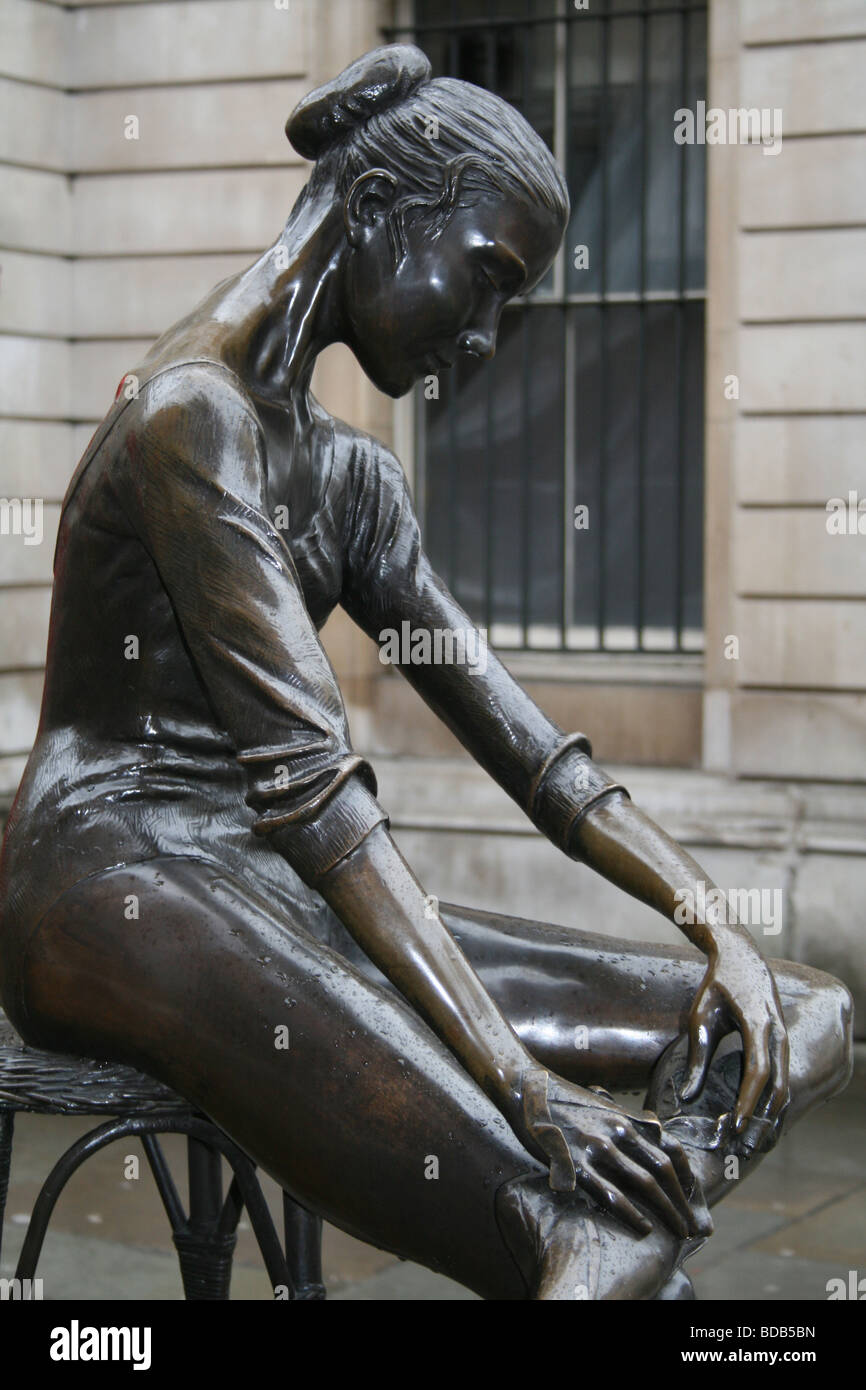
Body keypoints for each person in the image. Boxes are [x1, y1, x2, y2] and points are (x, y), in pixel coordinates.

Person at [0, 45, 852, 1300]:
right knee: (568, 1227)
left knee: (796, 1013)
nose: (490, 333)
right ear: (383, 212)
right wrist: (529, 1094)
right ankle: (590, 1226)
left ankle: (632, 1208)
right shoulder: (191, 418)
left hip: (274, 878)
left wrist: (709, 920)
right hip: (112, 886)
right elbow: (319, 798)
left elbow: (533, 758)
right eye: (488, 278)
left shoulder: (351, 480)